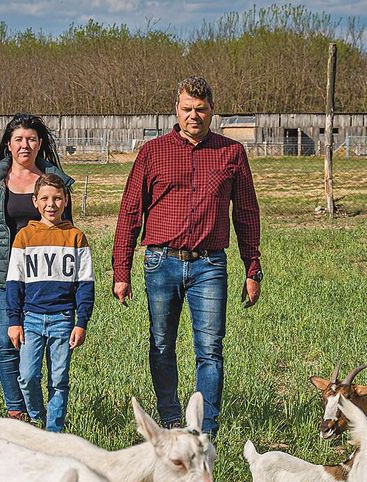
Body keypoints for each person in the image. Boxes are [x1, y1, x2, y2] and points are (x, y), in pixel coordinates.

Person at [111, 76, 262, 436]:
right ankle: (171, 418)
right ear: (176, 110)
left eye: (201, 109)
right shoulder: (152, 152)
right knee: (162, 343)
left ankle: (204, 428)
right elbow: (131, 212)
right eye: (187, 108)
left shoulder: (231, 153)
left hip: (209, 264)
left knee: (210, 347)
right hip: (161, 262)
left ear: (212, 112)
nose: (194, 115)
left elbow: (245, 212)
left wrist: (252, 267)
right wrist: (121, 270)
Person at [0, 114, 74, 420]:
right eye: (19, 139)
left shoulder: (55, 182)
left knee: (43, 346)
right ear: (8, 145)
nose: (25, 145)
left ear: (40, 144)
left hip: (43, 277)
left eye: (31, 139)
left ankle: (47, 412)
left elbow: (69, 230)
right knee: (6, 342)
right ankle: (16, 411)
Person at [5, 173, 94, 432]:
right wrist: (14, 321)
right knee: (28, 376)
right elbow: (14, 282)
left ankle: (54, 431)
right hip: (31, 318)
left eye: (57, 198)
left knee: (59, 378)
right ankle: (37, 416)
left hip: (63, 318)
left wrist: (82, 322)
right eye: (44, 198)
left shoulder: (76, 237)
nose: (51, 204)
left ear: (66, 201)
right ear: (35, 201)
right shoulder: (24, 236)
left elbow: (85, 283)